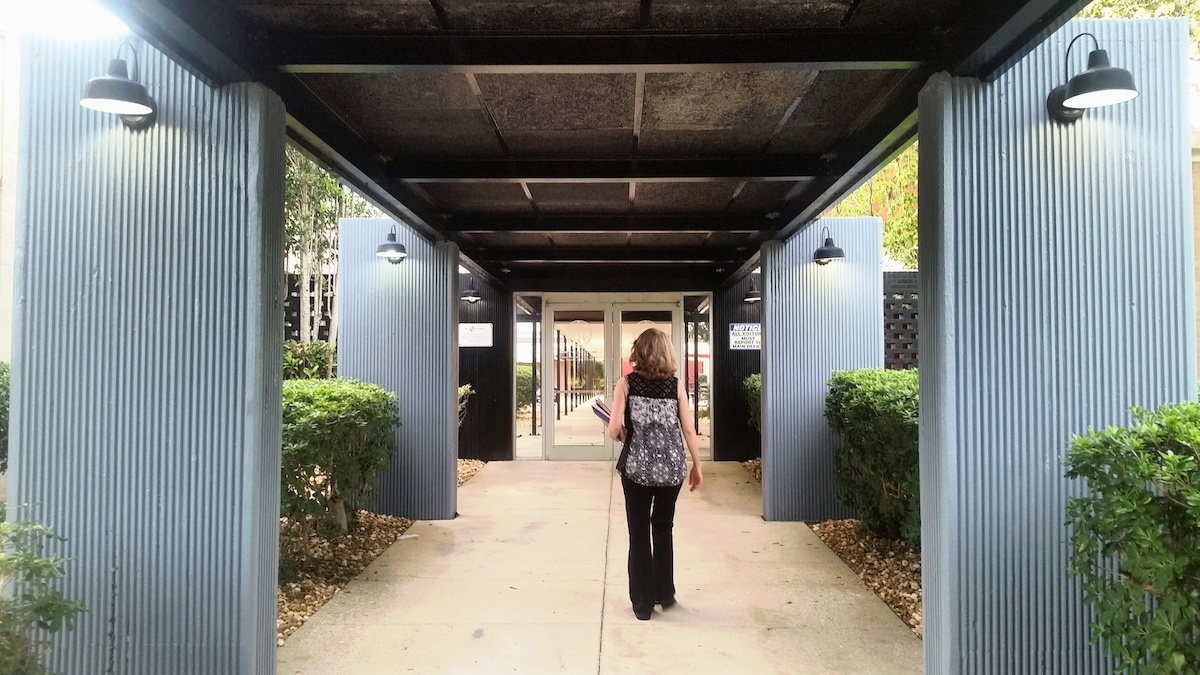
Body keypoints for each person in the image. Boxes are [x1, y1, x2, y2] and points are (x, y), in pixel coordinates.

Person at [607, 328, 703, 621]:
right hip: (671, 470)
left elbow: (613, 429)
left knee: (638, 532)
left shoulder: (626, 383)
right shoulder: (676, 386)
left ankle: (643, 604)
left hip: (636, 469)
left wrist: (620, 431)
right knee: (663, 527)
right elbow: (689, 429)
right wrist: (697, 465)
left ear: (639, 352)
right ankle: (665, 593)